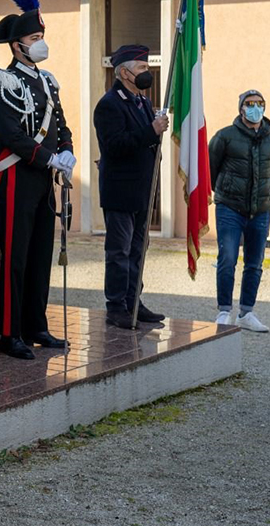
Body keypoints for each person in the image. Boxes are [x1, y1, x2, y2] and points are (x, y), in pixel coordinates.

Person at [0, 0, 74, 360]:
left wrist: (67, 150)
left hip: (43, 177)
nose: (40, 42)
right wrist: (48, 158)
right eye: (34, 37)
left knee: (39, 255)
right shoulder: (4, 80)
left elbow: (62, 124)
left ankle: (37, 326)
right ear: (17, 44)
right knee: (15, 259)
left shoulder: (48, 80)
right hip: (17, 177)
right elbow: (11, 135)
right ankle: (10, 334)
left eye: (42, 36)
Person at [93, 44, 169, 330]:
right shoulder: (110, 104)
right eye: (141, 69)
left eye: (147, 69)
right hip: (121, 191)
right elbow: (114, 146)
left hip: (141, 190)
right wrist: (151, 131)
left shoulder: (142, 102)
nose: (146, 74)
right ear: (124, 72)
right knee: (119, 251)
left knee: (138, 249)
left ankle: (133, 300)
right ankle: (116, 307)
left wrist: (153, 130)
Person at [207, 89, 270, 332]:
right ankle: (224, 311)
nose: (255, 108)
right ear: (241, 108)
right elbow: (212, 165)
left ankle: (246, 312)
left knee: (255, 263)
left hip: (260, 210)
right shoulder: (225, 136)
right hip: (229, 207)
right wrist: (224, 190)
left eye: (259, 103)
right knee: (227, 259)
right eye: (250, 104)